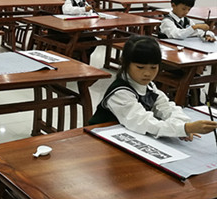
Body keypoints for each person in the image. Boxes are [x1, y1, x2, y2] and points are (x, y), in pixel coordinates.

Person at [89, 35, 217, 139]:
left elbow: (166, 107)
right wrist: (184, 128)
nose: (147, 73)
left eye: (153, 67)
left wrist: (183, 125)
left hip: (126, 136)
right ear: (125, 63)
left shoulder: (149, 86)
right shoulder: (120, 93)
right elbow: (143, 122)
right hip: (100, 139)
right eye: (140, 67)